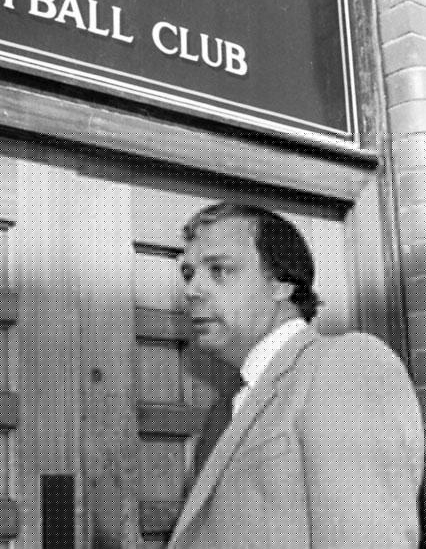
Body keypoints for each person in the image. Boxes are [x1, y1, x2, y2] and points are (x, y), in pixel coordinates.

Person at [167, 202, 424, 549]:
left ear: (282, 284)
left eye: (219, 270)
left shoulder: (345, 365)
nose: (192, 290)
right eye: (188, 273)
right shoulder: (223, 414)